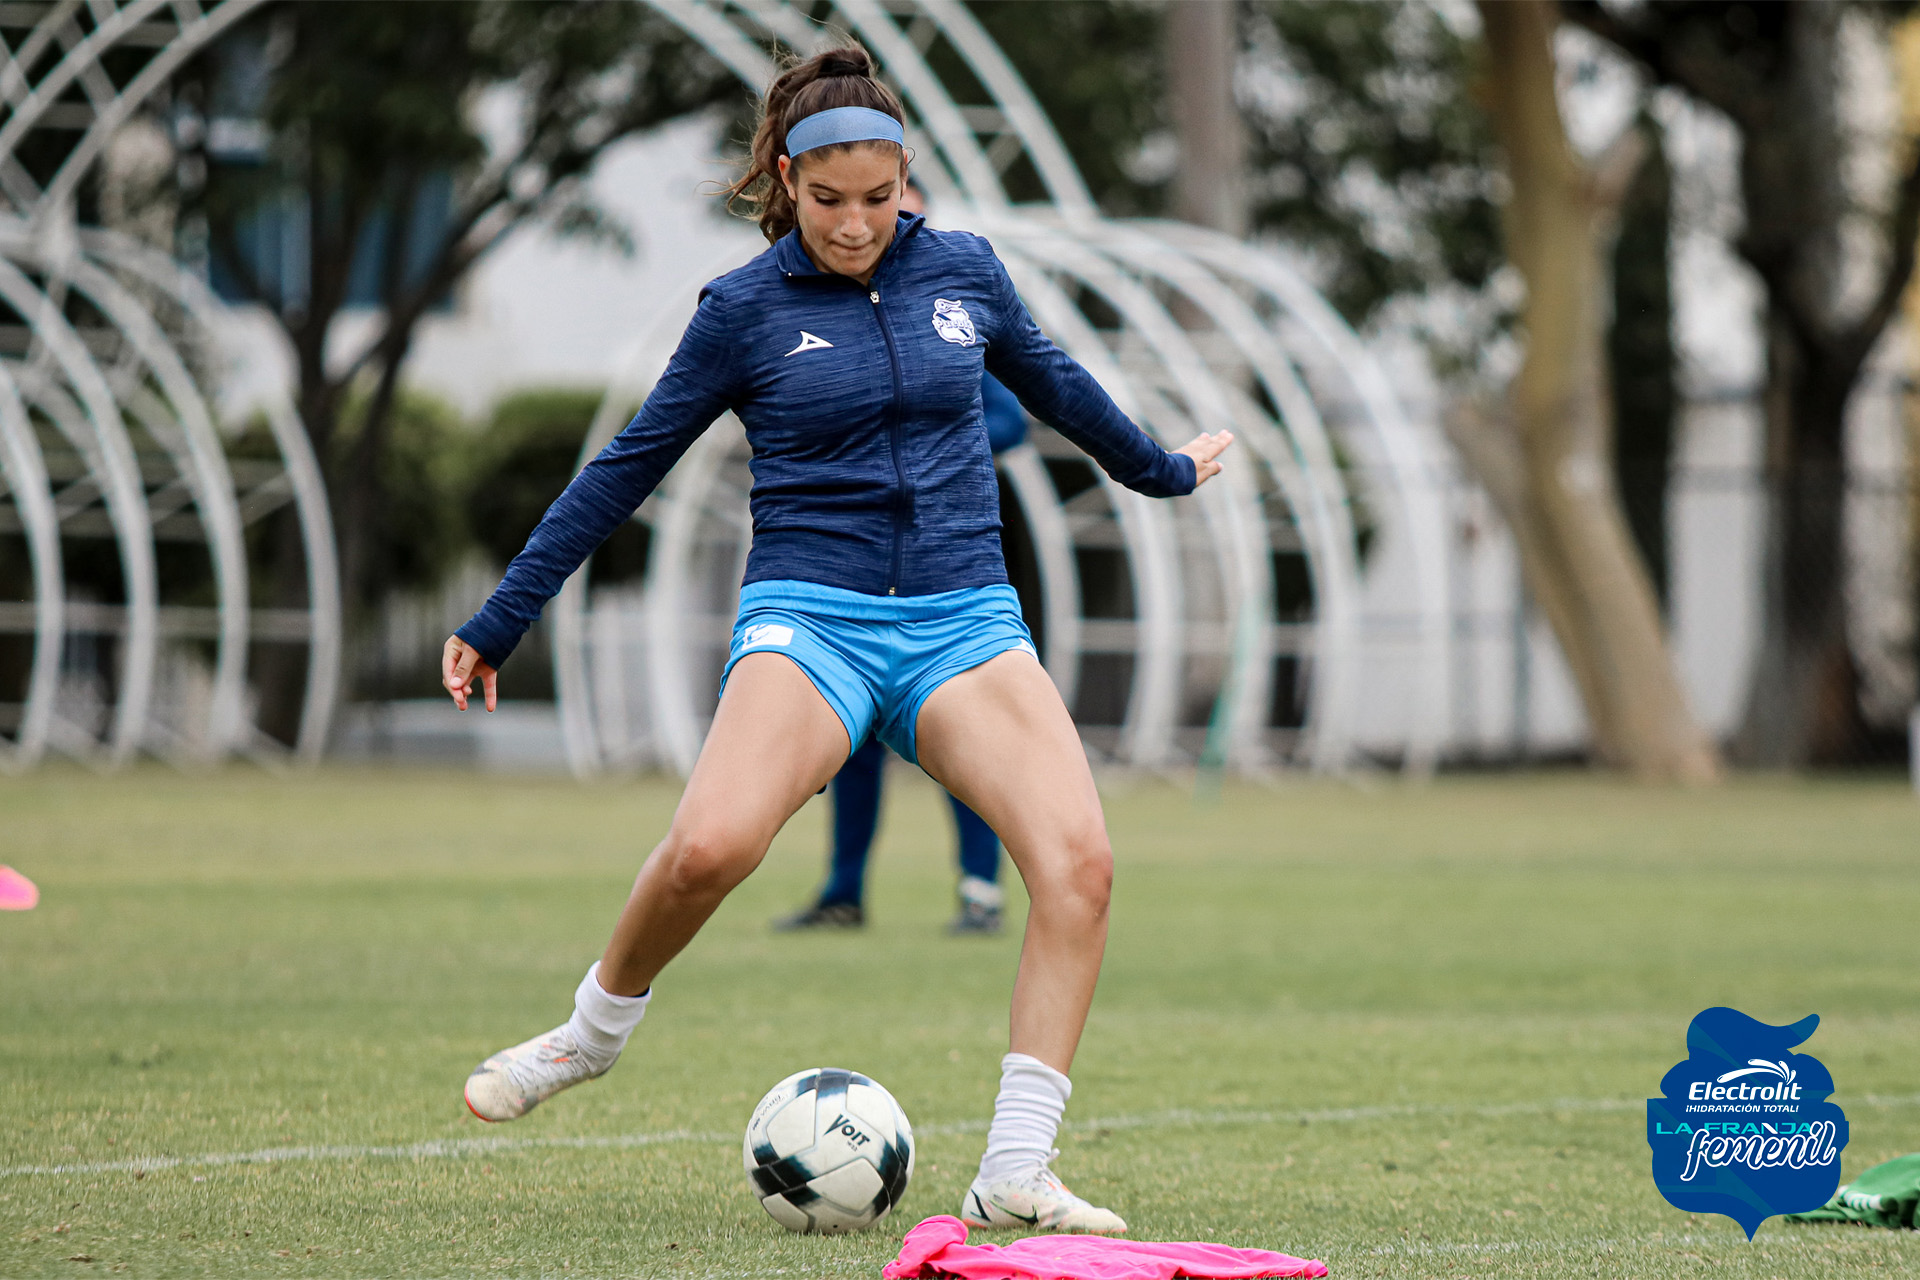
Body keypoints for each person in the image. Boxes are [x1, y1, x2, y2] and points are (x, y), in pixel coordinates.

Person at [441, 45, 1231, 1235]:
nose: (856, 224)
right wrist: (502, 615)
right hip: (814, 615)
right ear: (785, 181)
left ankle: (1018, 1163)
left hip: (967, 616)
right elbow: (625, 469)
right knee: (710, 845)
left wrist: (1163, 470)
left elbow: (1059, 384)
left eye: (878, 197)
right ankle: (588, 1034)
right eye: (828, 201)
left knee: (1080, 866)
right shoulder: (742, 311)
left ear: (905, 177)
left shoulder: (965, 272)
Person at [775, 373, 1029, 937]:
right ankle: (843, 893)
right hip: (857, 583)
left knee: (966, 747)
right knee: (849, 745)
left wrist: (914, 442)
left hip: (944, 583)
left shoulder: (944, 327)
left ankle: (980, 893)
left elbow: (1013, 421)